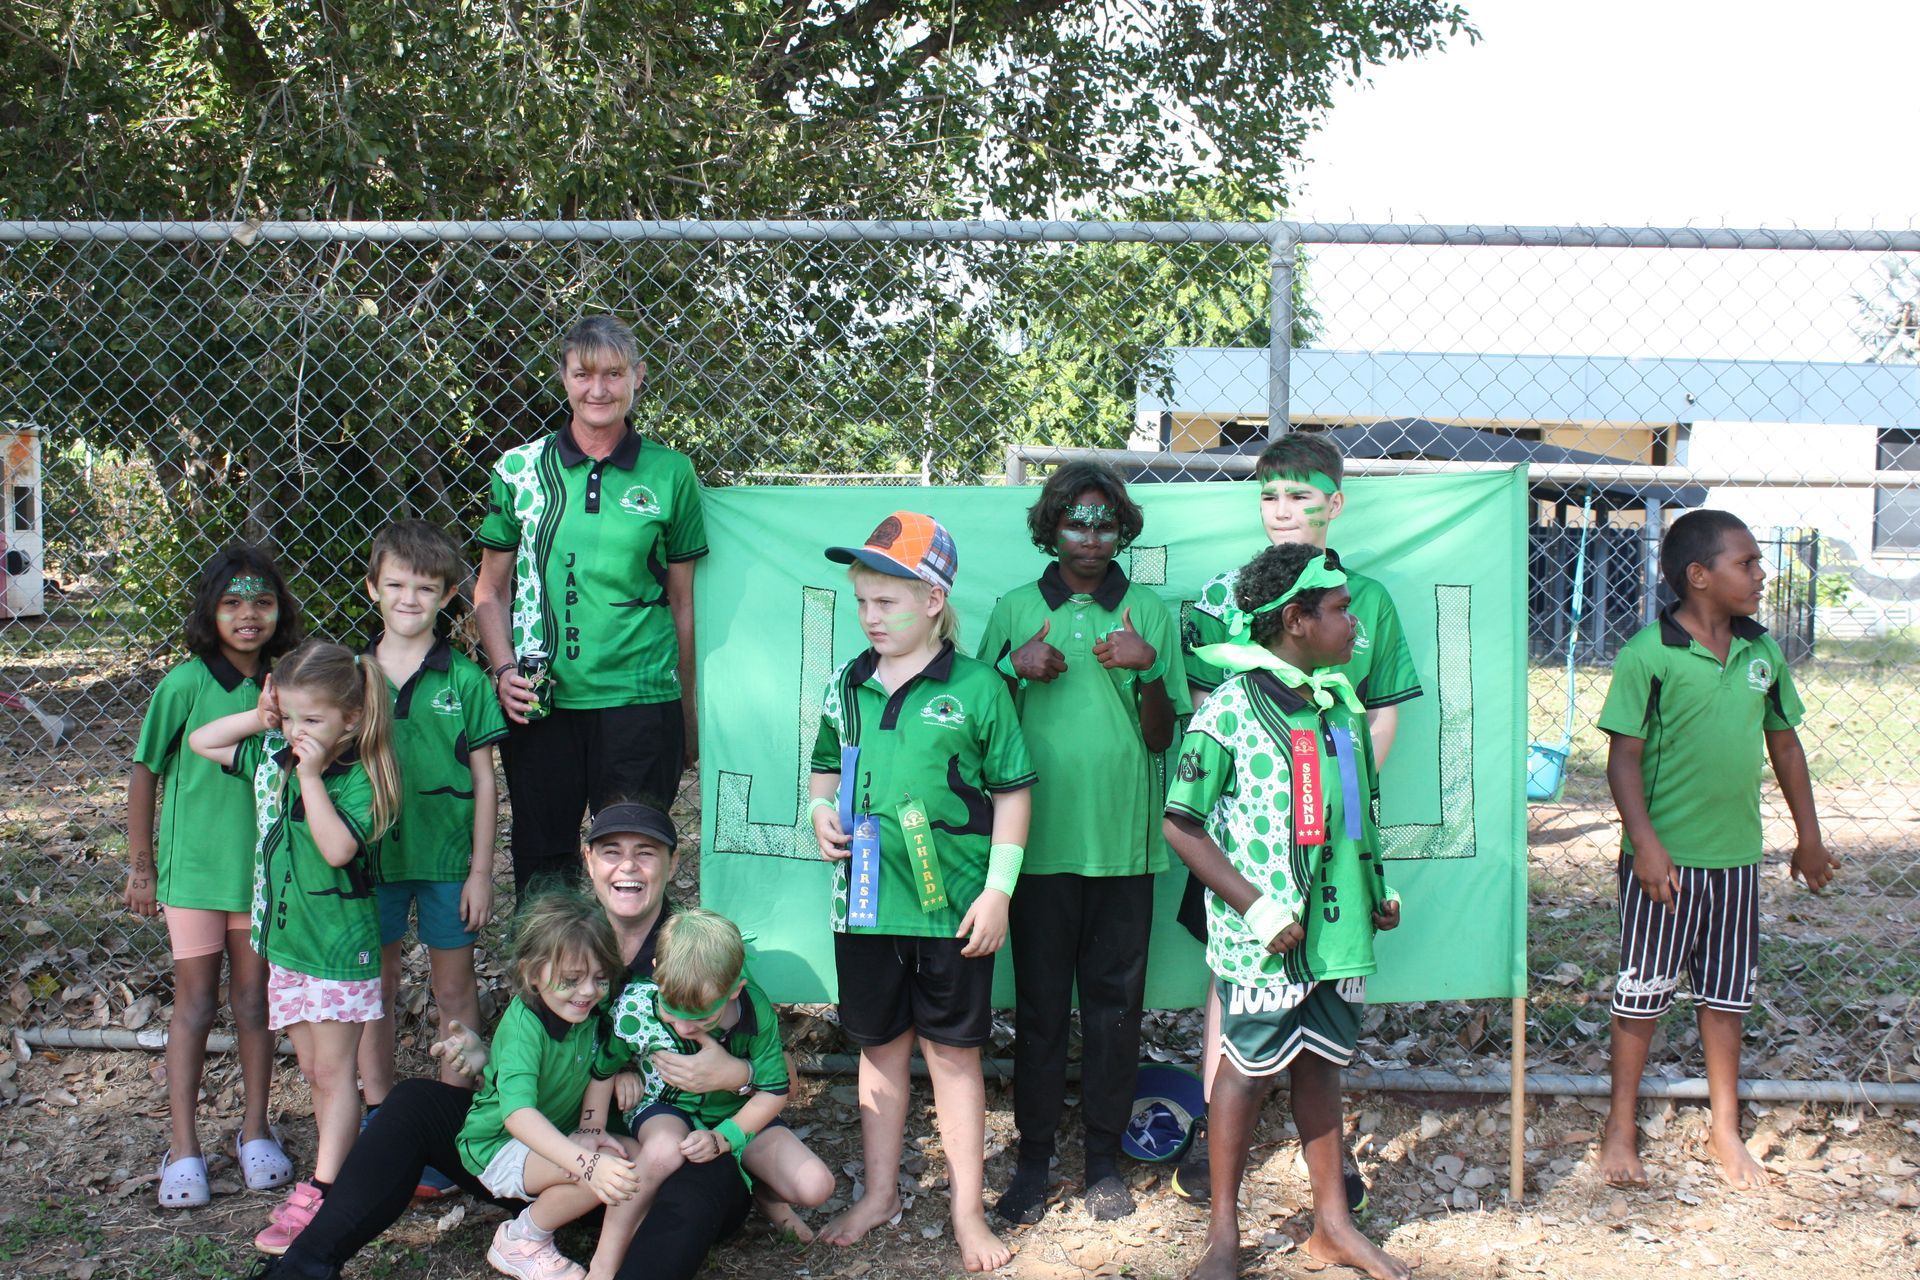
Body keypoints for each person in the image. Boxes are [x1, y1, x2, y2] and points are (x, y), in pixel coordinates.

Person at [245, 800, 754, 1280]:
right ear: (589, 860)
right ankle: (303, 1267)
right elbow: (540, 1061)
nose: (628, 868)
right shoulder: (566, 936)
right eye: (612, 852)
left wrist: (738, 1075)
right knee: (413, 1103)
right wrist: (490, 1059)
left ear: (671, 861)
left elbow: (779, 1072)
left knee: (705, 1175)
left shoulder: (697, 947)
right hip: (551, 1155)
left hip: (644, 1165)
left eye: (645, 853)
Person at [1174, 431, 1422, 1205]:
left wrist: (1345, 802)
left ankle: (1331, 1165)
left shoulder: (1367, 599)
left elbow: (1377, 712)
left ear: (1335, 504)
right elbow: (1208, 717)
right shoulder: (1222, 596)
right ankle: (1212, 1136)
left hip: (1335, 849)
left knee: (1326, 993)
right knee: (1235, 978)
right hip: (1247, 840)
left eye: (1299, 495)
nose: (1282, 509)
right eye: (1269, 494)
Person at [807, 512, 1035, 1273]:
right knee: (879, 1050)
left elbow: (1012, 794)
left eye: (888, 602)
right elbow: (825, 772)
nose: (871, 618)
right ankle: (880, 1194)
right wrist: (818, 812)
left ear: (934, 600)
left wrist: (998, 892)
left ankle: (967, 1209)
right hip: (866, 906)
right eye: (864, 602)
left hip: (953, 908)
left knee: (954, 1055)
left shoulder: (978, 688)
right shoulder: (850, 681)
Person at [1595, 510, 1838, 1191]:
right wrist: (1645, 845)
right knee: (1642, 997)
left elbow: (1784, 743)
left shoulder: (1763, 652)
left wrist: (1808, 837)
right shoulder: (1650, 653)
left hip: (1736, 861)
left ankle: (1725, 1129)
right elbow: (1623, 759)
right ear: (1699, 577)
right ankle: (1619, 1127)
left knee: (1726, 996)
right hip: (1664, 866)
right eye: (1748, 564)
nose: (1761, 576)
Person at [975, 461, 1188, 1224]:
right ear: (1050, 528)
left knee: (1114, 1008)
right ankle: (1033, 1161)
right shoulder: (1012, 609)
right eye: (1075, 521)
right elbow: (977, 727)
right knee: (1037, 1010)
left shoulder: (1149, 613)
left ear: (1122, 530)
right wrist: (1012, 667)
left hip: (1124, 850)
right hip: (1034, 851)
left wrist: (1150, 668)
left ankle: (1102, 1158)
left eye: (1105, 523)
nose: (1091, 537)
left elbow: (1162, 738)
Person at [474, 314, 709, 897]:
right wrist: (504, 672)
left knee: (633, 861)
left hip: (640, 698)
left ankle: (631, 983)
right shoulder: (519, 470)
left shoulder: (672, 472)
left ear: (638, 377)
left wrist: (687, 712)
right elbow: (490, 591)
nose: (597, 389)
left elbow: (684, 603)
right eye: (583, 374)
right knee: (543, 857)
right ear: (563, 378)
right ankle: (546, 986)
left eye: (613, 373)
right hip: (544, 701)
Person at [189, 641, 403, 1254]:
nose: (298, 733)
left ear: (351, 720)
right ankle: (337, 1169)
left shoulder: (364, 777)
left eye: (314, 721)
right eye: (291, 719)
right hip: (286, 942)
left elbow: (338, 850)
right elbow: (204, 740)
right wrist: (264, 721)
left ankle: (327, 1188)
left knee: (335, 1073)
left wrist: (308, 774)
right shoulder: (270, 750)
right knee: (313, 1068)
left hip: (337, 948)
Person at [128, 544, 302, 1209]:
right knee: (196, 1003)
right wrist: (142, 867)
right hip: (194, 874)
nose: (248, 615)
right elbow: (145, 772)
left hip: (259, 873)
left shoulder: (287, 683)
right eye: (232, 603)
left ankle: (256, 1132)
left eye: (262, 601)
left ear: (279, 609)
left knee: (255, 1001)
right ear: (210, 611)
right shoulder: (183, 684)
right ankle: (185, 1146)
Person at [352, 520, 508, 1197]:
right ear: (372, 590)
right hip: (370, 860)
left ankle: (452, 1124)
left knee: (454, 989)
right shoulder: (349, 676)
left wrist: (480, 870)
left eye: (425, 587)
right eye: (395, 585)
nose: (409, 598)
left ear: (447, 597)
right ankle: (380, 1113)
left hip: (447, 861)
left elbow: (483, 780)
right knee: (375, 987)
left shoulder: (466, 679)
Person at [602, 909, 833, 1252]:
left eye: (702, 1017)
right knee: (661, 1154)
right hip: (668, 1107)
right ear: (656, 975)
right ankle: (606, 1259)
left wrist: (725, 1137)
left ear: (735, 990)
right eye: (672, 1011)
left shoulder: (754, 1009)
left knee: (816, 1186)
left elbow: (773, 1091)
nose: (683, 1028)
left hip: (736, 1114)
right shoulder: (639, 1001)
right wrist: (623, 1071)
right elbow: (608, 1050)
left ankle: (764, 1193)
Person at [456, 889, 642, 1280]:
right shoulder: (526, 1026)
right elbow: (519, 1117)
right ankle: (520, 1240)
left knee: (634, 1157)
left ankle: (625, 1241)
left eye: (599, 978)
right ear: (532, 974)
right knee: (600, 1172)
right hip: (498, 1146)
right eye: (572, 979)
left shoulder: (590, 1009)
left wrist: (591, 1131)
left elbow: (599, 1071)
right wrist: (588, 1163)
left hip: (557, 1133)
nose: (589, 991)